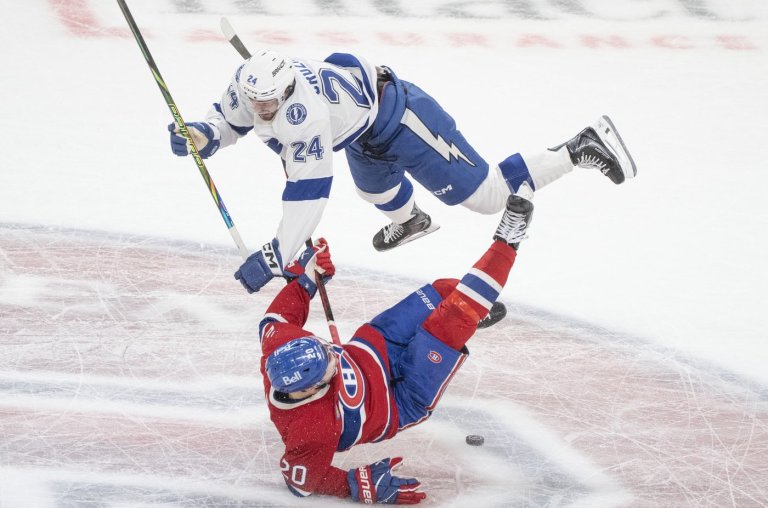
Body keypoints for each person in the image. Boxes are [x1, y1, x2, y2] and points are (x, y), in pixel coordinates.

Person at [168, 48, 637, 295]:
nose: (260, 109)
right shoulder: (255, 86)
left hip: (403, 119)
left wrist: (277, 255)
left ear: (288, 92)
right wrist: (204, 134)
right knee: (374, 191)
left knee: (488, 197)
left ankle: (579, 147)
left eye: (269, 103)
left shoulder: (304, 115)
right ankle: (412, 221)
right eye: (255, 101)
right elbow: (230, 119)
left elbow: (308, 193)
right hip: (363, 132)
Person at [256, 191, 535, 504]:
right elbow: (302, 482)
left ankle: (466, 311)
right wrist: (355, 485)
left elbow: (275, 318)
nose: (333, 354)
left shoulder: (279, 343)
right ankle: (508, 241)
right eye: (329, 365)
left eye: (325, 349)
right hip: (399, 399)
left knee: (443, 291)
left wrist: (307, 279)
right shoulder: (309, 428)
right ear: (309, 390)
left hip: (374, 345)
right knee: (455, 313)